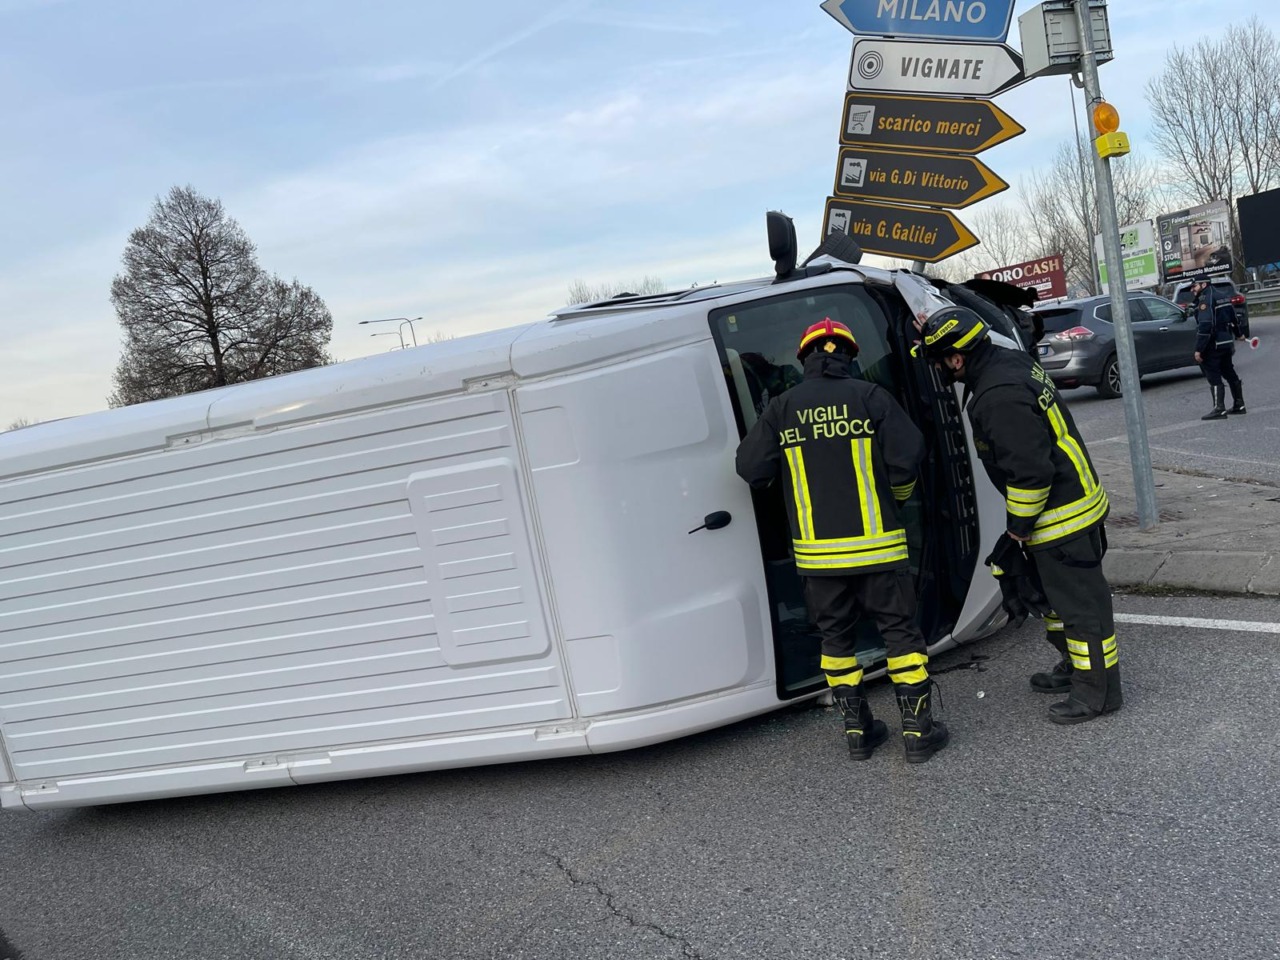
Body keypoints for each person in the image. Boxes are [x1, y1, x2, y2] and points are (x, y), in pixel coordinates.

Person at [735, 318, 948, 763]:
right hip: (879, 549)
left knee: (835, 641)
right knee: (900, 635)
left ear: (806, 359)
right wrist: (896, 499)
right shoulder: (871, 397)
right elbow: (908, 457)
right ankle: (918, 733)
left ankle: (858, 733)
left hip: (818, 559)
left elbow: (751, 469)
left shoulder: (781, 407)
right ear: (848, 355)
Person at [917, 306, 1123, 725]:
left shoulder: (998, 396)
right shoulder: (1008, 361)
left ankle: (1097, 693)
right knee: (1052, 600)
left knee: (1082, 609)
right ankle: (1076, 667)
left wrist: (1018, 529)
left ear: (957, 358)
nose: (940, 368)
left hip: (1060, 517)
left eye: (940, 360)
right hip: (1070, 507)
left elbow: (1032, 473)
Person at [1190, 278, 1246, 419]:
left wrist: (1199, 349)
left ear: (1204, 284)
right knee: (1229, 372)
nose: (1192, 289)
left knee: (1213, 375)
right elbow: (1234, 319)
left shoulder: (1205, 299)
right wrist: (1239, 334)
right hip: (1226, 341)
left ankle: (1219, 409)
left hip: (1212, 343)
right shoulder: (1223, 296)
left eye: (1194, 286)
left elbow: (1205, 325)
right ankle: (1239, 404)